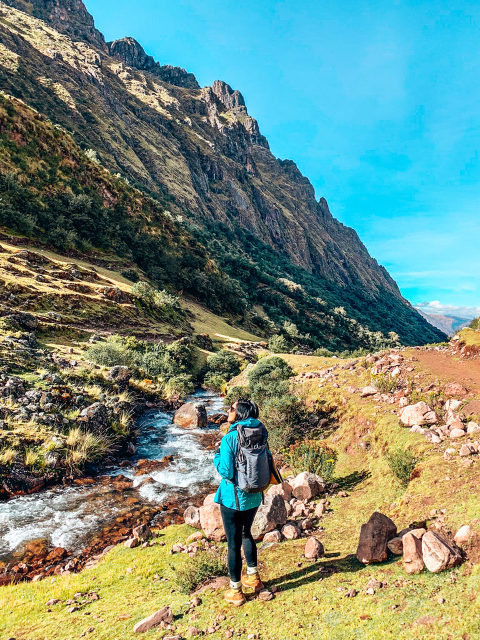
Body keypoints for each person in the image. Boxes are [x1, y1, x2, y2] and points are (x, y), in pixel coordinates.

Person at [213, 398, 268, 606]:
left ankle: (235, 591)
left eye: (232, 408)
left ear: (240, 413)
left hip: (232, 498)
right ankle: (253, 578)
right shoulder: (261, 432)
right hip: (254, 495)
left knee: (233, 544)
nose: (228, 410)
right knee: (247, 534)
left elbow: (226, 471)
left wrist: (216, 457)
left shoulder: (230, 438)